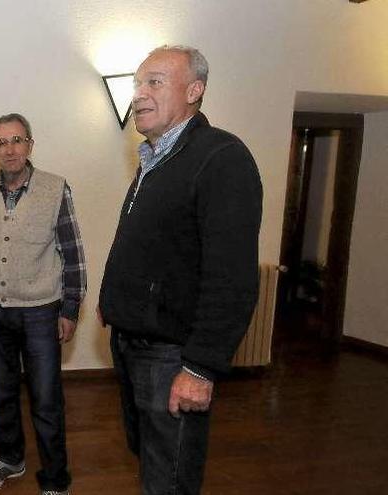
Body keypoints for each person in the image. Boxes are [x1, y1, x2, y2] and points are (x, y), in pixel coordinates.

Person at [98, 45, 263, 494]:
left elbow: (232, 278)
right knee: (151, 460)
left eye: (154, 82)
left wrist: (201, 368)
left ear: (195, 90)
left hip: (172, 357)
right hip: (134, 346)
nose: (139, 94)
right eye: (137, 83)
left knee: (170, 477)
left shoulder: (221, 157)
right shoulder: (153, 159)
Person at [0, 113, 86, 495]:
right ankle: (10, 458)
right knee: (0, 394)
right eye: (1, 143)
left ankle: (55, 477)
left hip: (40, 311)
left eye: (17, 140)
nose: (10, 149)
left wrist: (70, 309)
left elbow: (73, 252)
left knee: (46, 399)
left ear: (30, 145)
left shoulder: (56, 188)